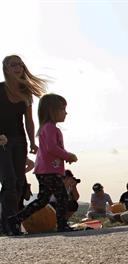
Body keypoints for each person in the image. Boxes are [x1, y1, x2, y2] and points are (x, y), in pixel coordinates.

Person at [7, 93, 78, 235]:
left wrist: (65, 157)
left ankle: (16, 219)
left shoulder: (49, 128)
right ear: (53, 111)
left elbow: (52, 149)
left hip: (45, 170)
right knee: (62, 197)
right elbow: (51, 148)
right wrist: (68, 155)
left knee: (42, 200)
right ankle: (62, 225)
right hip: (48, 171)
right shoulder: (50, 128)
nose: (66, 113)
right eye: (63, 109)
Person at [0, 55, 46, 235]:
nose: (18, 68)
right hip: (1, 141)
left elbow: (29, 120)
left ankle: (13, 222)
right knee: (9, 182)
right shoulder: (0, 89)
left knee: (19, 183)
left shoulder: (25, 92)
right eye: (13, 65)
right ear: (6, 68)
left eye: (20, 64)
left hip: (20, 141)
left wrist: (33, 142)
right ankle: (8, 225)